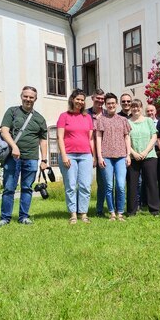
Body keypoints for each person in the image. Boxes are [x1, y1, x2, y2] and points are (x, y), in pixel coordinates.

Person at [0, 86, 48, 227]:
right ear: (21, 96)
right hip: (13, 157)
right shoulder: (12, 111)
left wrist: (44, 160)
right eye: (26, 96)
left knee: (27, 188)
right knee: (9, 188)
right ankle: (5, 218)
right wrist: (14, 146)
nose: (28, 99)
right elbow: (4, 131)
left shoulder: (39, 118)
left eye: (31, 97)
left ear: (35, 99)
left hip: (32, 158)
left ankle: (23, 217)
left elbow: (43, 140)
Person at [57, 89, 94, 224]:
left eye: (82, 100)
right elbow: (59, 137)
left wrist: (93, 155)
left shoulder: (88, 117)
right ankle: (73, 214)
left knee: (85, 185)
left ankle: (83, 214)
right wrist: (64, 156)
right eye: (77, 99)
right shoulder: (64, 116)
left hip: (85, 155)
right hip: (69, 155)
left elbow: (90, 139)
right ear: (72, 99)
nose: (80, 102)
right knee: (71, 185)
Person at [95, 93, 131, 221]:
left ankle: (120, 212)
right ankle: (112, 213)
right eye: (108, 103)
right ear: (105, 105)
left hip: (121, 156)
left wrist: (128, 155)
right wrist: (99, 156)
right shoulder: (101, 120)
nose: (111, 105)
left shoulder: (123, 120)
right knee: (109, 186)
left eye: (113, 103)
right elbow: (98, 138)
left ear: (116, 104)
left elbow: (127, 137)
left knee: (121, 185)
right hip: (106, 157)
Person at [126, 99, 160, 216]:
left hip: (149, 155)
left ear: (141, 108)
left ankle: (154, 210)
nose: (136, 109)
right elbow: (125, 140)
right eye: (133, 107)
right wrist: (133, 153)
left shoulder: (148, 121)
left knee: (151, 183)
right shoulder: (127, 122)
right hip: (133, 156)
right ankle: (131, 211)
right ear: (131, 108)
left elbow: (154, 137)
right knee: (132, 184)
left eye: (138, 107)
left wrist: (145, 151)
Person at [87, 88, 107, 216]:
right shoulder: (85, 114)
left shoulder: (107, 114)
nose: (100, 101)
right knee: (84, 182)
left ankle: (99, 209)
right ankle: (80, 209)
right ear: (92, 98)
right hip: (86, 152)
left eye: (102, 99)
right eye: (97, 98)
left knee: (103, 182)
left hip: (104, 153)